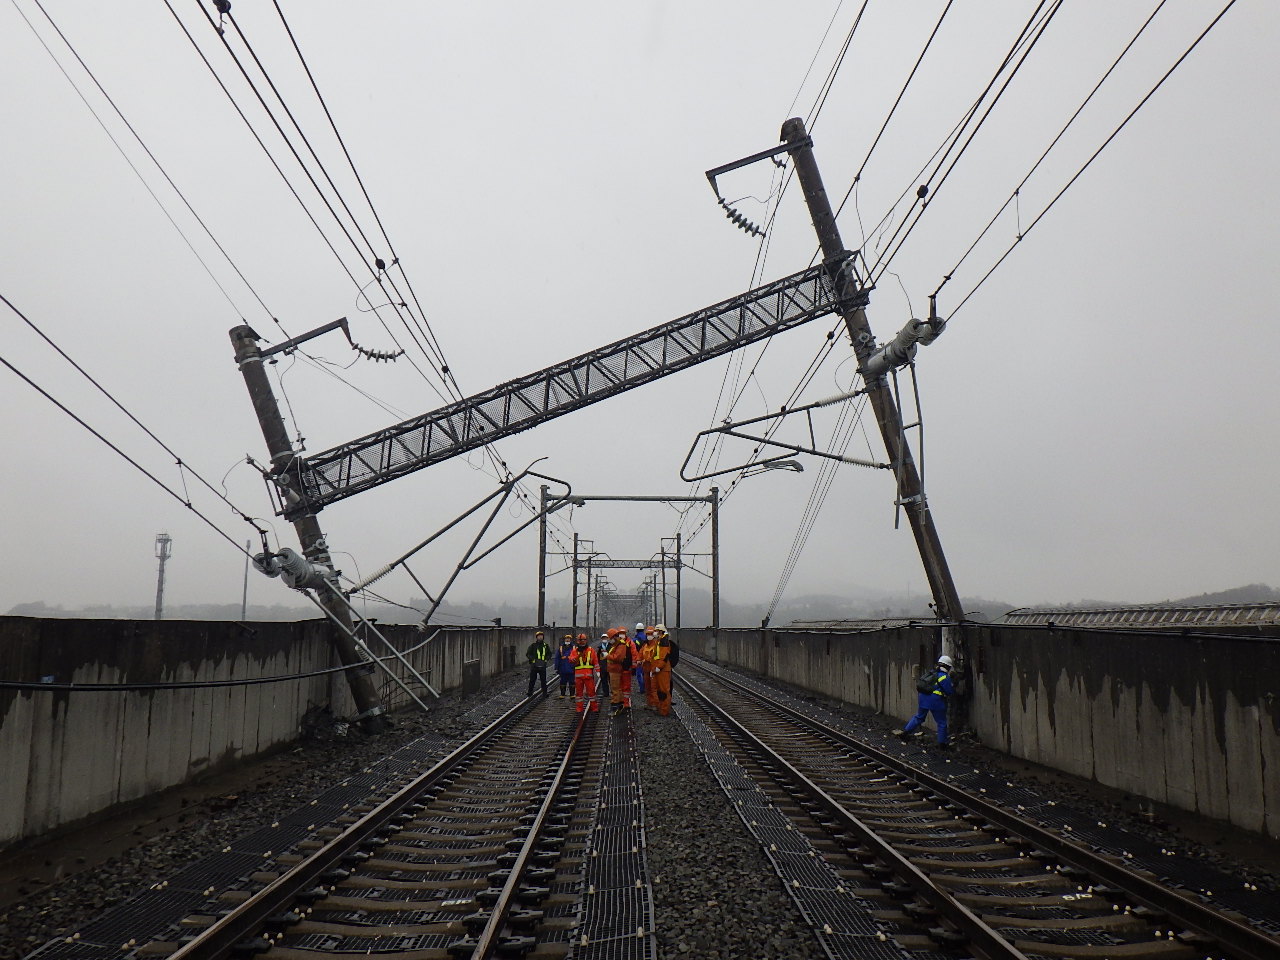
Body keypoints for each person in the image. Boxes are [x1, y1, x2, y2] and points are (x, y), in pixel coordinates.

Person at [895, 654, 956, 747]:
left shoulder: (931, 673)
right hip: (936, 702)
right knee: (941, 722)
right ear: (948, 667)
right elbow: (949, 691)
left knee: (919, 717)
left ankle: (905, 733)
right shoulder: (944, 677)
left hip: (923, 698)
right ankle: (942, 744)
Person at [648, 624, 679, 716]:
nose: (654, 633)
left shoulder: (664, 641)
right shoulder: (660, 641)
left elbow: (663, 656)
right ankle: (662, 709)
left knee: (664, 690)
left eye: (656, 631)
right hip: (659, 669)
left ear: (660, 631)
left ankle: (664, 711)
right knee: (660, 690)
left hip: (663, 669)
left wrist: (659, 667)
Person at [605, 627, 637, 714]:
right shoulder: (616, 644)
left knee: (619, 688)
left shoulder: (623, 644)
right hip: (616, 669)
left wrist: (607, 655)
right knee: (618, 688)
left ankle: (619, 705)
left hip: (620, 669)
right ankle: (622, 703)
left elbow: (618, 657)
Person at [569, 633, 599, 712]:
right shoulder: (575, 651)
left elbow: (595, 661)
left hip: (588, 676)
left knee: (592, 693)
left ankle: (594, 708)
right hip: (578, 677)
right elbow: (571, 660)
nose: (582, 642)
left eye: (584, 640)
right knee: (579, 694)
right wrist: (578, 656)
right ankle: (579, 708)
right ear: (577, 641)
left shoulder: (591, 650)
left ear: (586, 641)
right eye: (580, 640)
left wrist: (598, 671)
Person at [525, 629, 551, 697]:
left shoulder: (546, 646)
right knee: (532, 679)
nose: (540, 637)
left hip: (542, 665)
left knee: (543, 680)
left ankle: (545, 693)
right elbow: (528, 654)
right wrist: (532, 659)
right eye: (539, 636)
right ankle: (530, 692)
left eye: (541, 636)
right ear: (536, 637)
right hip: (534, 665)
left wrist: (546, 659)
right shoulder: (533, 645)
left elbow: (549, 654)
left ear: (543, 637)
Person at [553, 633, 576, 699]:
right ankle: (562, 694)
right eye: (566, 638)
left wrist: (576, 666)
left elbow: (577, 657)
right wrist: (556, 667)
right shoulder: (561, 648)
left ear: (571, 640)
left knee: (572, 682)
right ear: (564, 639)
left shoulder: (574, 648)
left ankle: (572, 694)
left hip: (571, 667)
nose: (567, 640)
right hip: (563, 667)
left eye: (569, 639)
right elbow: (557, 657)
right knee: (563, 681)